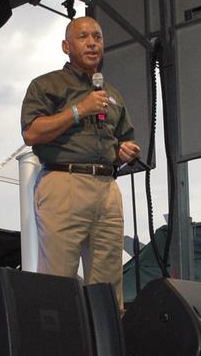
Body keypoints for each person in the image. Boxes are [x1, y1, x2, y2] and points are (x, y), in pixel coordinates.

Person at [20, 16, 140, 305]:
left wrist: (124, 151)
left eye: (97, 37)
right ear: (66, 46)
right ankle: (59, 334)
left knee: (108, 288)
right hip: (64, 181)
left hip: (107, 188)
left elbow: (121, 140)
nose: (92, 43)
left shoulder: (112, 94)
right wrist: (79, 110)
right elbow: (31, 133)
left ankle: (106, 335)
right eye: (83, 37)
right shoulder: (47, 85)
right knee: (59, 280)